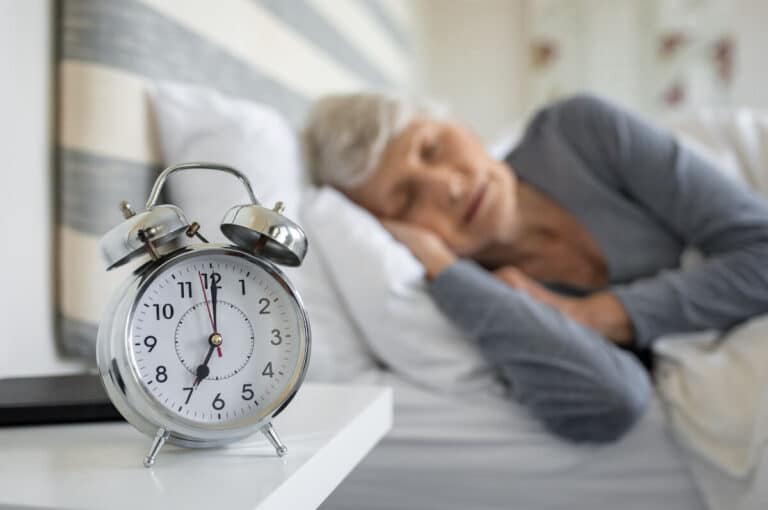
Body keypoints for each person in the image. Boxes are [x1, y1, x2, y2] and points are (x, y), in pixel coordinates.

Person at [301, 93, 768, 443]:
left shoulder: (578, 131)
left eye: (432, 149)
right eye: (406, 198)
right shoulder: (483, 299)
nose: (448, 188)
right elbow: (612, 400)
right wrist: (445, 268)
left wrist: (588, 316)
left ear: (461, 126)